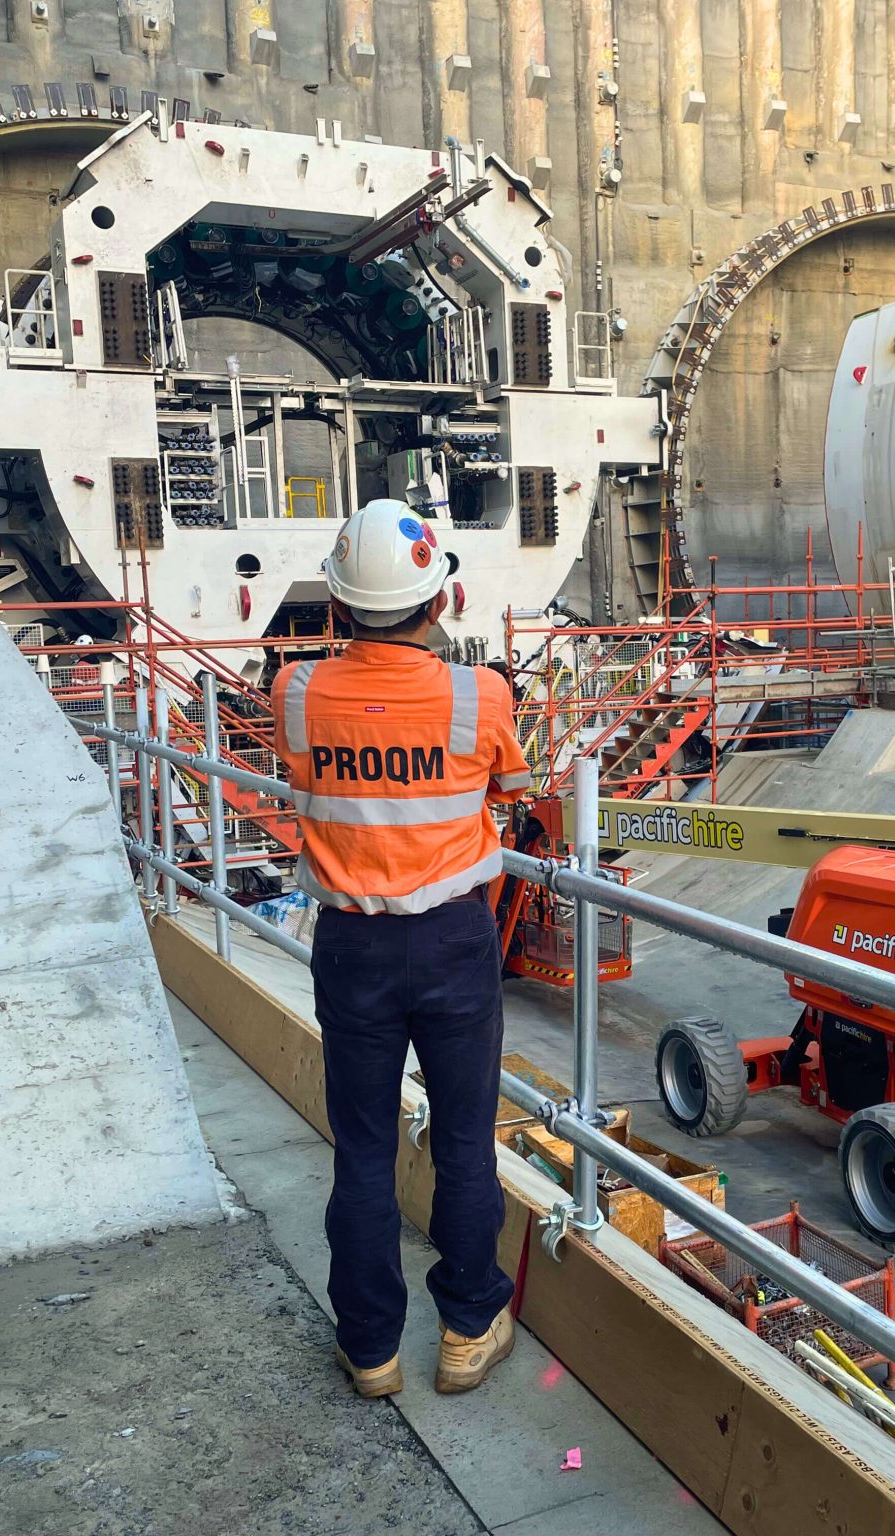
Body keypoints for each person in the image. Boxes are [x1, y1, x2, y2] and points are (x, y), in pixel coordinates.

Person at [268, 499, 532, 1400]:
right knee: (463, 1144)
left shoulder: (296, 692)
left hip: (351, 950)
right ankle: (467, 1331)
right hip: (455, 941)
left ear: (337, 609)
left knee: (364, 1150)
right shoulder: (480, 694)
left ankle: (371, 1347)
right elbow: (516, 783)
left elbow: (312, 777)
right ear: (443, 600)